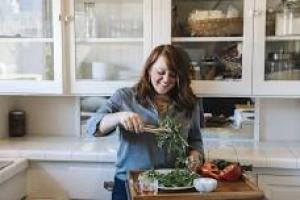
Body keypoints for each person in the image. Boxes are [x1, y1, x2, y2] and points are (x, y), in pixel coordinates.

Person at [86, 44, 204, 200]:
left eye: (173, 75)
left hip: (174, 185)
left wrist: (196, 155)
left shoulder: (190, 103)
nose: (166, 79)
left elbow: (195, 140)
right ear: (149, 70)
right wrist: (119, 117)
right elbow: (92, 127)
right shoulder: (125, 97)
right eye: (160, 72)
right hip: (131, 184)